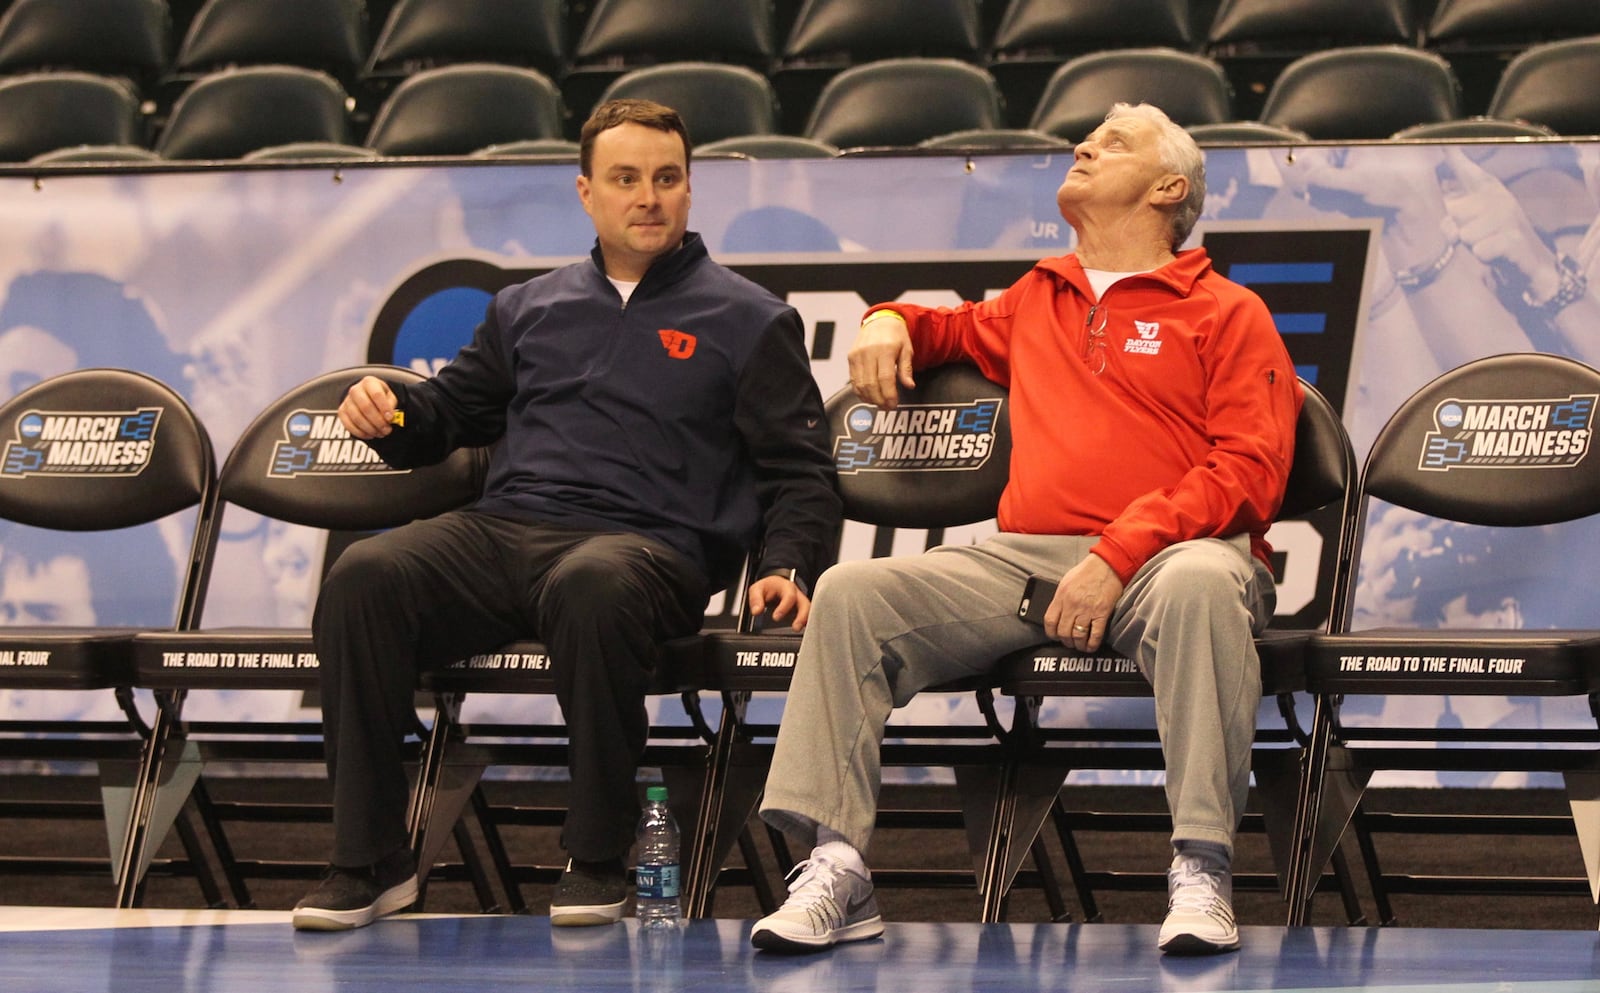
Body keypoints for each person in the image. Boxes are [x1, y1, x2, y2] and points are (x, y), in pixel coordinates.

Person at [752, 103, 1303, 956]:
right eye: (1086, 137)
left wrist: (1118, 553)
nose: (1083, 145)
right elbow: (943, 328)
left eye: (1112, 143)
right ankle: (836, 865)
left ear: (1169, 188)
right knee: (853, 592)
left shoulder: (1227, 312)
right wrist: (886, 319)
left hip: (1171, 557)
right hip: (1026, 561)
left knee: (1199, 582)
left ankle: (1201, 868)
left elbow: (1250, 472)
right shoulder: (1037, 297)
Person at [290, 99, 841, 931]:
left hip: (648, 547)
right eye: (627, 179)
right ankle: (369, 861)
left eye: (667, 179)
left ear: (690, 192)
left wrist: (785, 565)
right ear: (587, 192)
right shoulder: (526, 307)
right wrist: (389, 414)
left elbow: (799, 470)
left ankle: (596, 856)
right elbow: (444, 417)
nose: (648, 197)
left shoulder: (751, 319)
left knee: (593, 582)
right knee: (364, 575)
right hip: (505, 530)